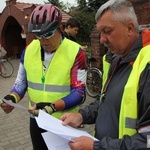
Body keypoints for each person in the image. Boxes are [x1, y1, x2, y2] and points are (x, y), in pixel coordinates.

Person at [60, 0, 150, 149]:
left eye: (107, 31)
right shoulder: (115, 59)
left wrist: (97, 147)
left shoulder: (146, 66)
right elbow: (106, 102)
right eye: (100, 33)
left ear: (129, 28)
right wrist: (82, 116)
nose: (102, 40)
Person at [1, 4, 87, 150]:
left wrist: (51, 107)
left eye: (48, 34)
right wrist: (11, 98)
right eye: (38, 35)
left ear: (59, 27)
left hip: (62, 121)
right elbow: (21, 83)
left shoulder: (75, 52)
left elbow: (79, 92)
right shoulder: (29, 50)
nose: (43, 40)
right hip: (36, 119)